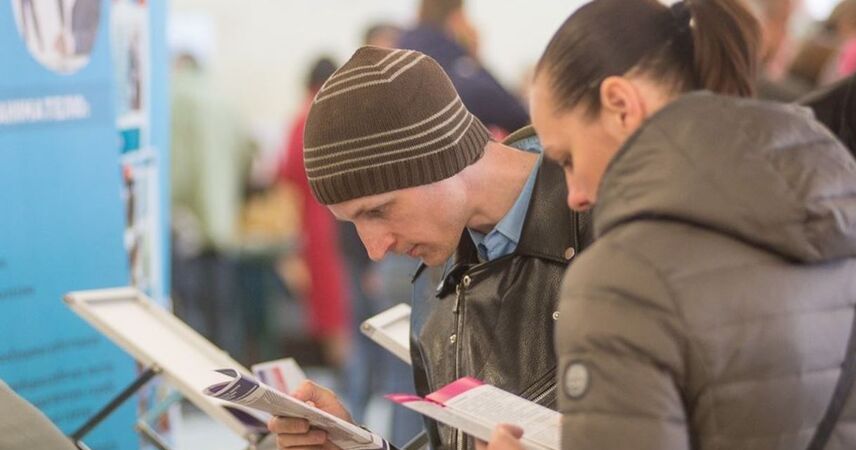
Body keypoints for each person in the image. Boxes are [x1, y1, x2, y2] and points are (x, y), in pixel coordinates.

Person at [480, 0, 856, 449]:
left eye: (567, 159)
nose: (573, 194)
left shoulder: (621, 281)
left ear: (621, 104)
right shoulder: (834, 206)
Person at [268, 46, 592, 450]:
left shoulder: (609, 228)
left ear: (439, 157)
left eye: (379, 210)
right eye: (354, 224)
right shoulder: (435, 282)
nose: (375, 248)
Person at [277, 56, 352, 367]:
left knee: (330, 311)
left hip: (312, 226)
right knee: (338, 312)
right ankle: (346, 377)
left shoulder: (301, 119)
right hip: (332, 225)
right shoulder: (330, 115)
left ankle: (345, 378)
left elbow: (285, 177)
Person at [397, 0, 530, 135]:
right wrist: (473, 57)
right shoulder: (461, 71)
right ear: (455, 18)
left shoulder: (404, 57)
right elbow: (518, 117)